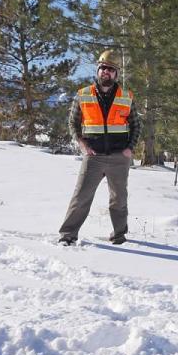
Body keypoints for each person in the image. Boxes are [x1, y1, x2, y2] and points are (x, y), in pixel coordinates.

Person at [58, 50, 137, 245]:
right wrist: (82, 144)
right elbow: (73, 123)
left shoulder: (126, 96)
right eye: (103, 68)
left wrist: (130, 148)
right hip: (93, 156)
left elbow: (136, 124)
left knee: (119, 199)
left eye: (111, 69)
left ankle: (119, 235)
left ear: (116, 73)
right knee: (81, 196)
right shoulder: (83, 95)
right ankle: (68, 235)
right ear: (98, 70)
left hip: (119, 157)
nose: (106, 72)